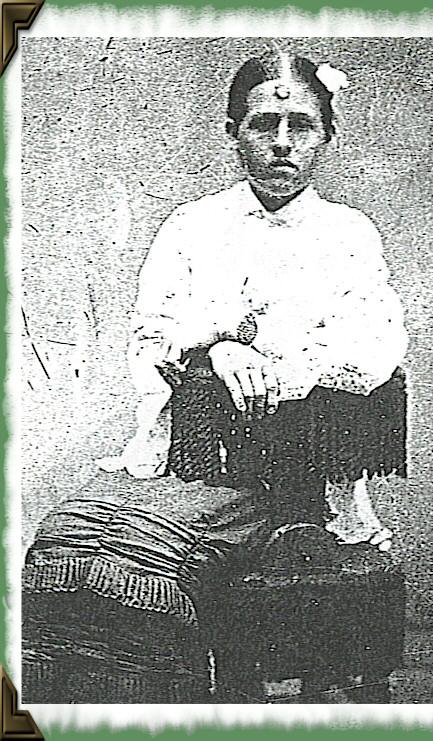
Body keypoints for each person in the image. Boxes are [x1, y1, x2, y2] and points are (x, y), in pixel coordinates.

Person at [22, 49, 408, 703]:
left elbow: (374, 350)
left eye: (301, 125)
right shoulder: (193, 226)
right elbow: (151, 338)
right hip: (191, 461)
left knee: (144, 569)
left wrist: (274, 363)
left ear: (326, 136)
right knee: (67, 542)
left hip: (299, 484)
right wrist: (218, 350)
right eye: (262, 124)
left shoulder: (349, 234)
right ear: (233, 132)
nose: (281, 143)